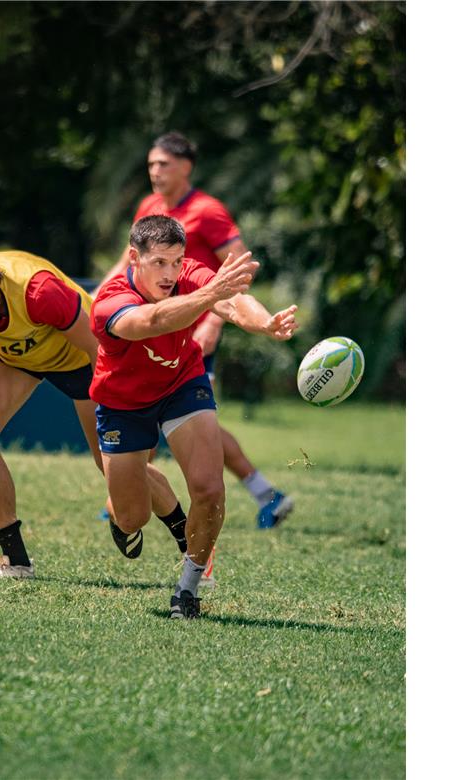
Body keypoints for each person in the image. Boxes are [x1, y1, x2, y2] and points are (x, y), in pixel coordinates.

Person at [0, 234, 183, 579]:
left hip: (83, 359)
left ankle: (192, 546)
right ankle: (15, 561)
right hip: (15, 357)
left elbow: (99, 349)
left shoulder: (38, 291)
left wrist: (127, 421)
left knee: (113, 464)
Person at [91, 216, 298, 618]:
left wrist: (265, 323)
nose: (170, 273)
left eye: (176, 261)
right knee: (132, 517)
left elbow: (231, 301)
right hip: (123, 402)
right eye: (159, 263)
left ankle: (187, 588)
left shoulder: (190, 275)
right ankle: (136, 503)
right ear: (134, 258)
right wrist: (211, 293)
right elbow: (152, 321)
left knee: (209, 489)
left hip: (182, 383)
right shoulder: (109, 301)